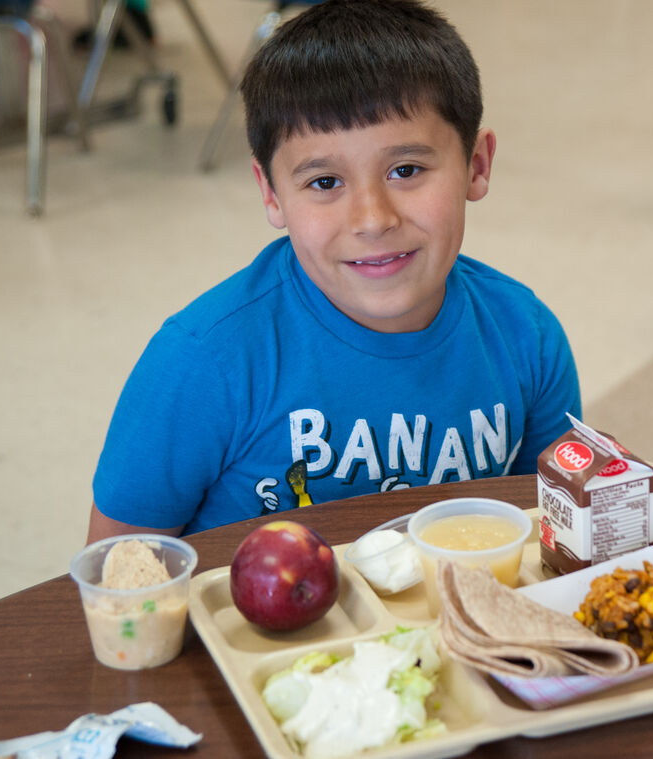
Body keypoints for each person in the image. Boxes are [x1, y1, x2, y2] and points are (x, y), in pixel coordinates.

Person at [86, 0, 581, 542]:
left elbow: (555, 533)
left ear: (477, 166)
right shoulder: (205, 363)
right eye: (324, 182)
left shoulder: (526, 337)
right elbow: (120, 576)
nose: (372, 219)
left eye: (406, 169)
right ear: (270, 193)